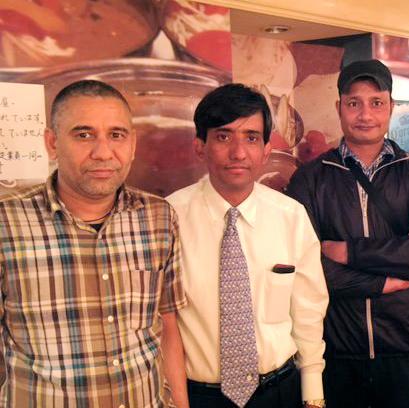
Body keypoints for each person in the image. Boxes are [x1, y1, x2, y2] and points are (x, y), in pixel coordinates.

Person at [0, 80, 187, 406]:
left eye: (116, 135)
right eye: (84, 135)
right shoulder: (7, 223)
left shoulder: (158, 217)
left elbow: (167, 323)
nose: (103, 153)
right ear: (52, 143)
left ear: (132, 144)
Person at [286, 59, 409, 408]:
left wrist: (348, 252)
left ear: (391, 107)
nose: (365, 114)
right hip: (338, 348)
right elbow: (307, 267)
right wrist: (384, 281)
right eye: (354, 103)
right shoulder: (310, 178)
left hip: (406, 346)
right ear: (339, 108)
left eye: (376, 103)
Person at [166, 83, 328, 408]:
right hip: (200, 397)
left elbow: (308, 311)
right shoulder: (169, 219)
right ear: (200, 147)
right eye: (223, 137)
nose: (238, 153)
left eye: (251, 138)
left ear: (266, 150)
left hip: (280, 392)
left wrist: (313, 395)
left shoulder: (291, 216)